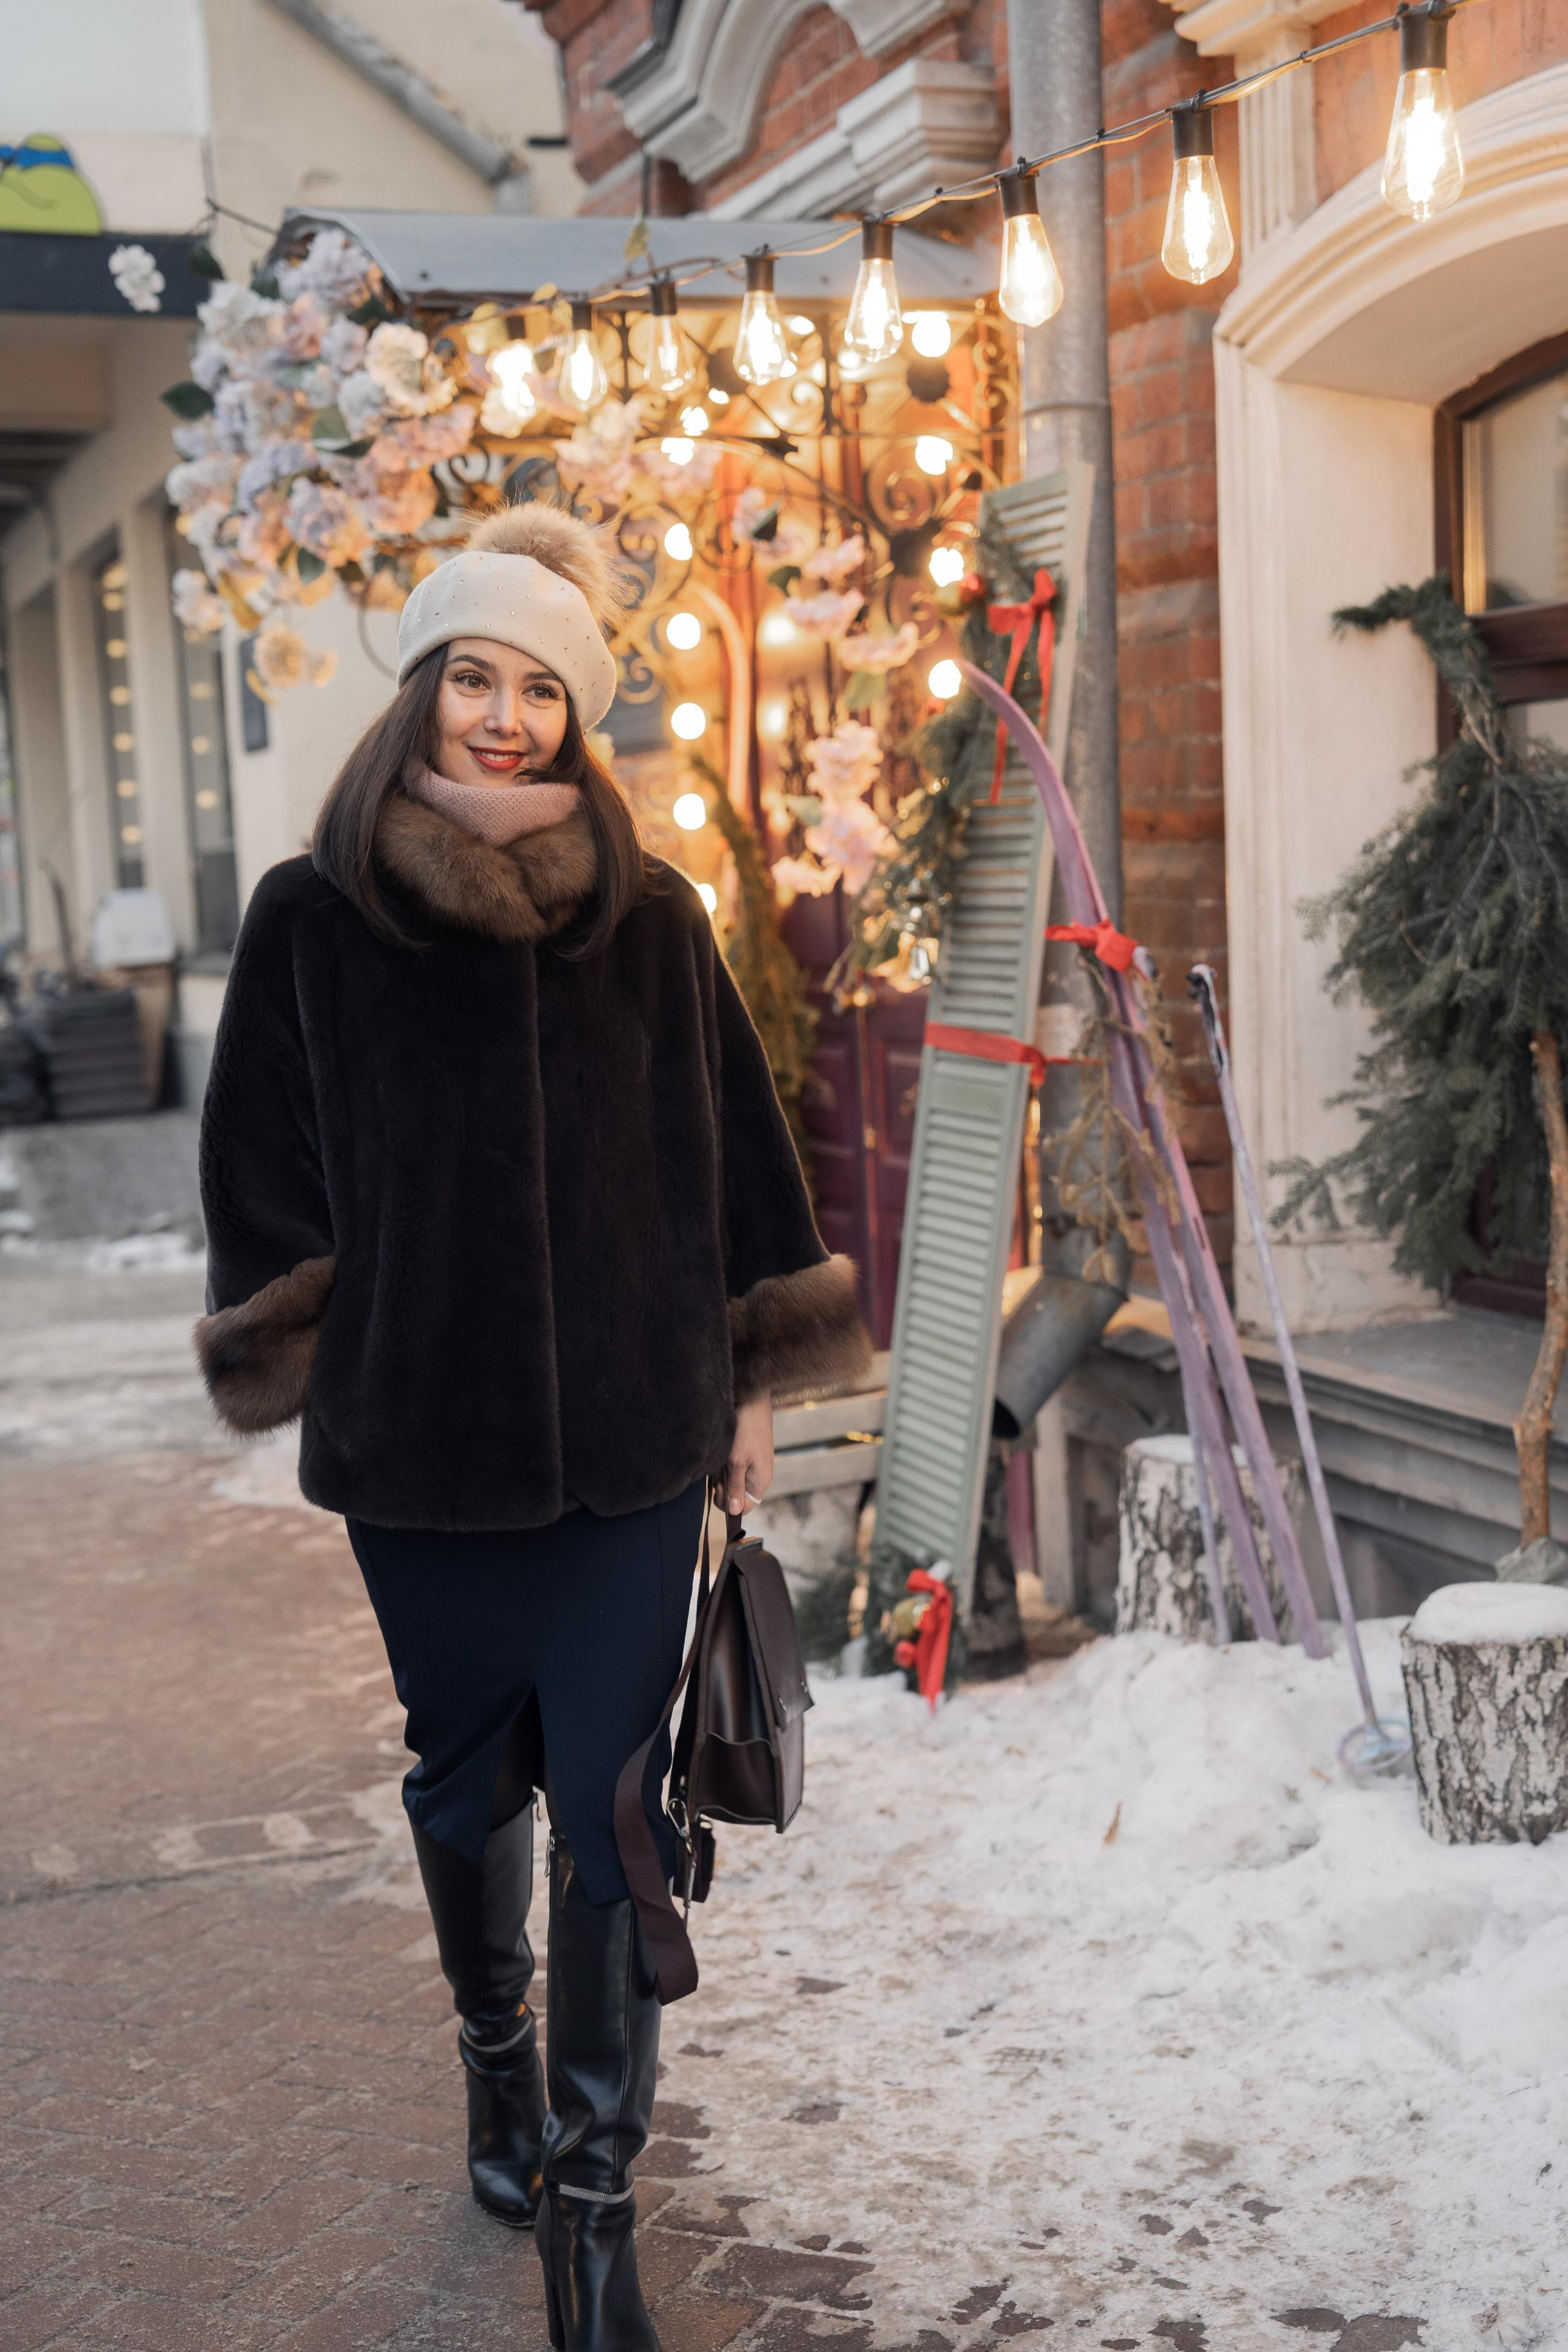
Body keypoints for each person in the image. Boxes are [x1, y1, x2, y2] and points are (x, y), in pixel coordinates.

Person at [194, 502, 870, 2350]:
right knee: (460, 1780)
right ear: (422, 689)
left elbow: (736, 1166)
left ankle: (592, 2213)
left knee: (617, 1811)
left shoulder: (653, 922)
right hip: (424, 1461)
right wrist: (334, 1352)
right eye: (475, 679)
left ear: (578, 717)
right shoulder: (314, 920)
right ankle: (495, 2054)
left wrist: (738, 1393)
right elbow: (263, 1181)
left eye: (542, 693)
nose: (506, 719)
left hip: (634, 1455)